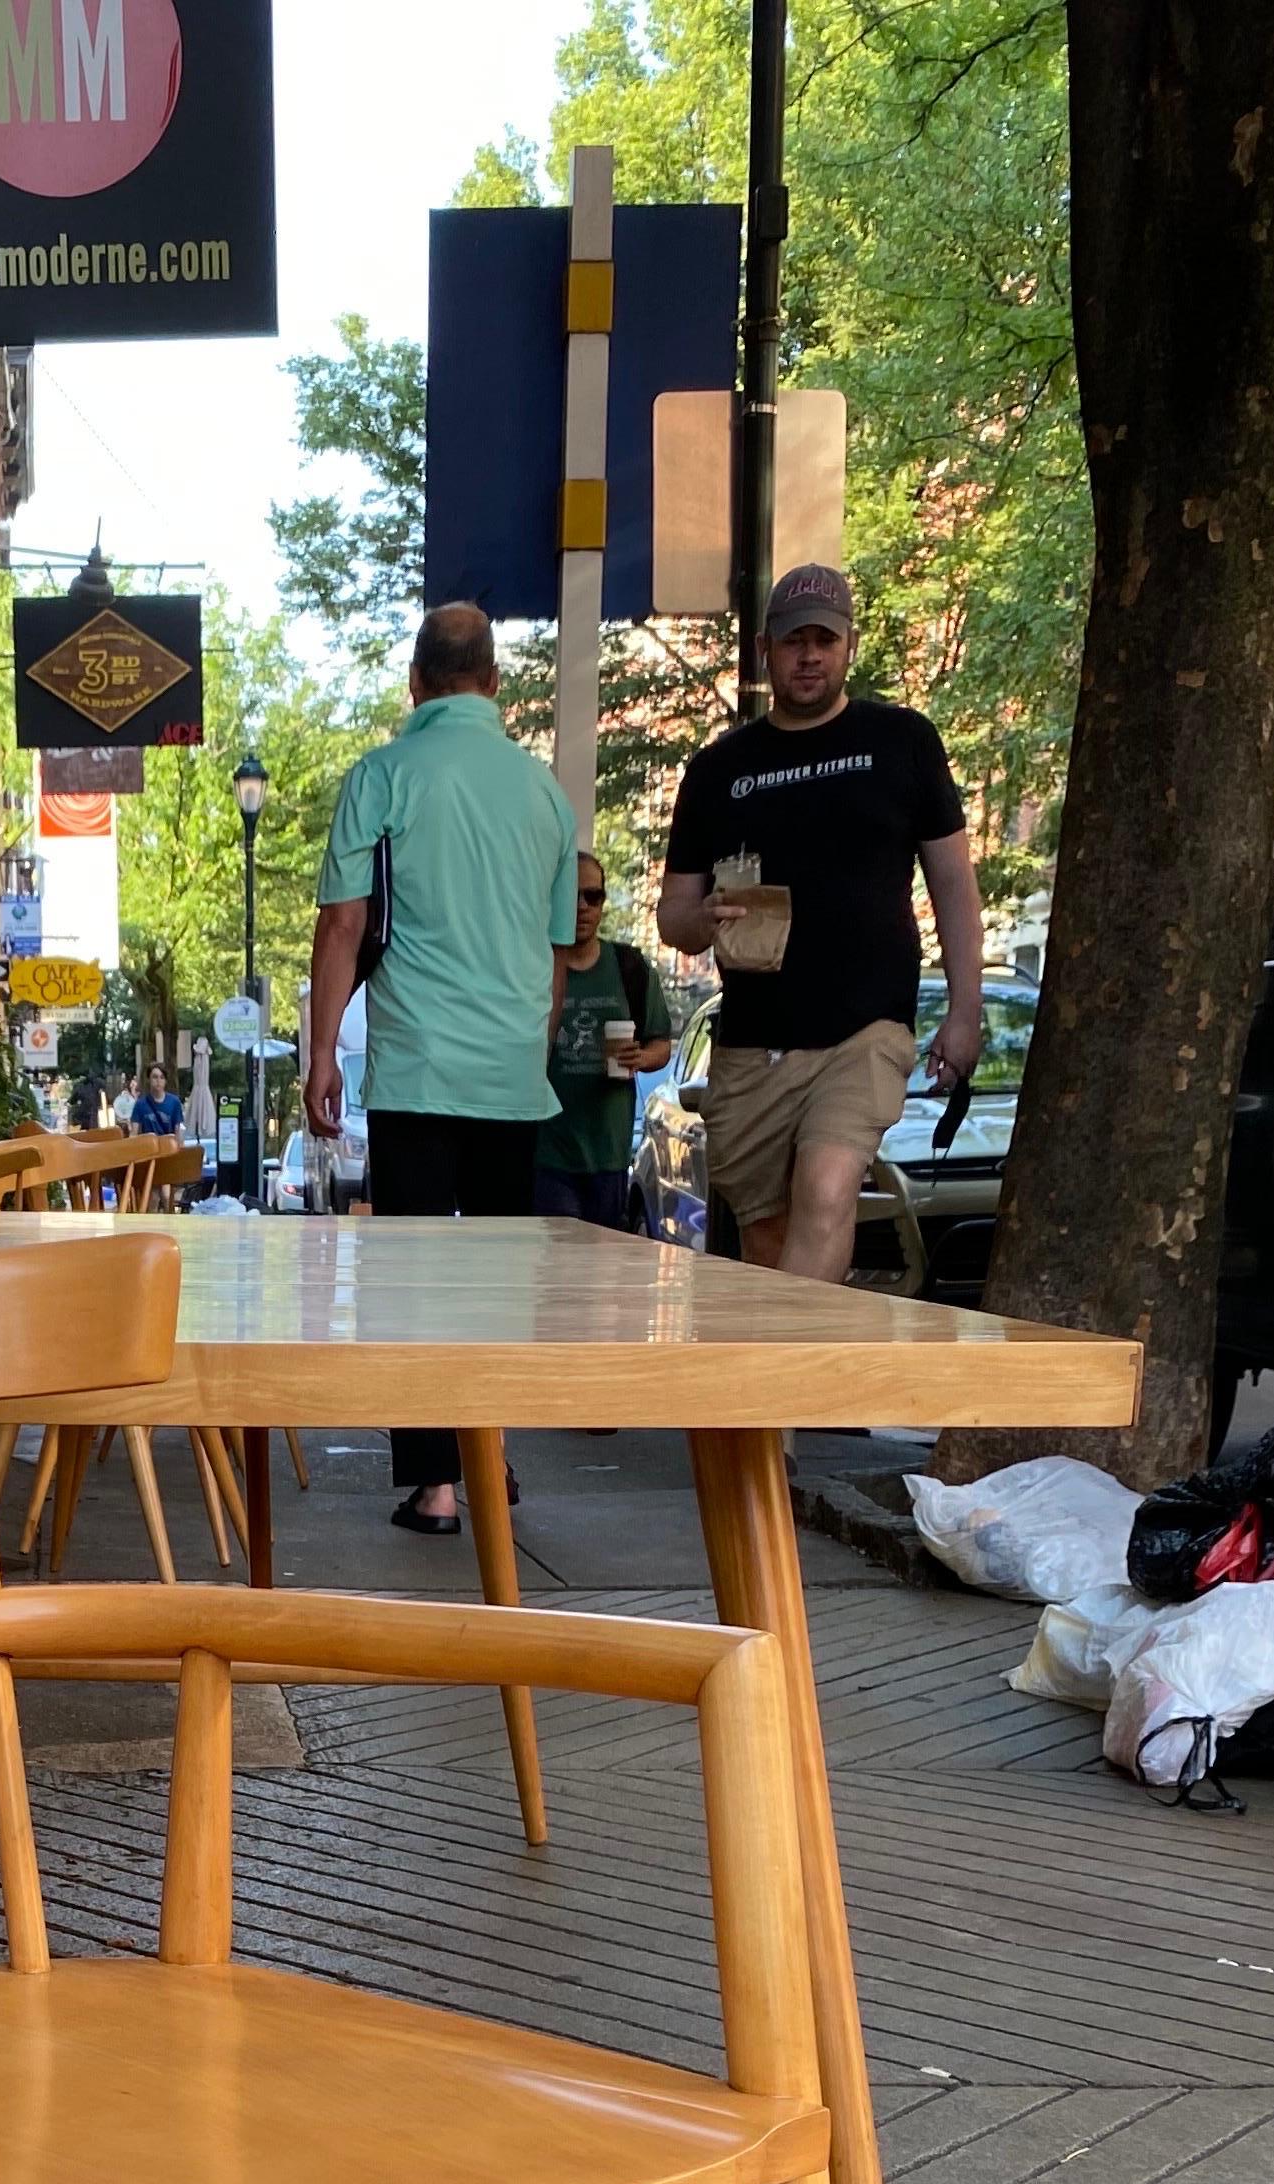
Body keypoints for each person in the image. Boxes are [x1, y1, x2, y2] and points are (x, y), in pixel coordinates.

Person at [307, 600, 578, 1533]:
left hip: (418, 1064)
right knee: (499, 1279)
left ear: (415, 681)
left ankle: (437, 1486)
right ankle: (490, 1449)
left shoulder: (380, 778)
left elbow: (344, 924)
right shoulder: (545, 794)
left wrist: (320, 1054)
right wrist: (529, 1047)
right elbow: (555, 952)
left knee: (413, 1278)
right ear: (495, 682)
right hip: (510, 1071)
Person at [656, 563, 982, 1284]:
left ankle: (796, 1385)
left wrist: (966, 1011)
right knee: (769, 1237)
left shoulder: (903, 742)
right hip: (753, 1044)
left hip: (866, 1032)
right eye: (794, 641)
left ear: (848, 647)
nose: (809, 655)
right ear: (767, 649)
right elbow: (672, 916)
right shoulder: (718, 770)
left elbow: (954, 883)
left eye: (824, 640)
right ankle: (786, 1362)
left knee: (829, 1188)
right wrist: (705, 918)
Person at [537, 852, 673, 1226]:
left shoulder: (629, 968)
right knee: (558, 1262)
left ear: (603, 903)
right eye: (571, 896)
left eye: (592, 896)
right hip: (545, 1153)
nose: (581, 907)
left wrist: (639, 1058)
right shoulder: (533, 967)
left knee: (599, 1272)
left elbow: (662, 1044)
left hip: (608, 1158)